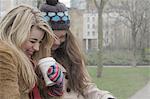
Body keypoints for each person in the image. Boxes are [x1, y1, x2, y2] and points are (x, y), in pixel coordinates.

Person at [40, 0, 116, 99]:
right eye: (53, 37)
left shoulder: (71, 55)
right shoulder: (34, 58)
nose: (57, 42)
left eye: (62, 36)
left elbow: (86, 87)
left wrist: (104, 97)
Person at [0, 5, 64, 99]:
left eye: (40, 42)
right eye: (32, 41)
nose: (37, 48)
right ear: (15, 34)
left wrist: (54, 89)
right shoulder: (4, 56)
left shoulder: (30, 62)